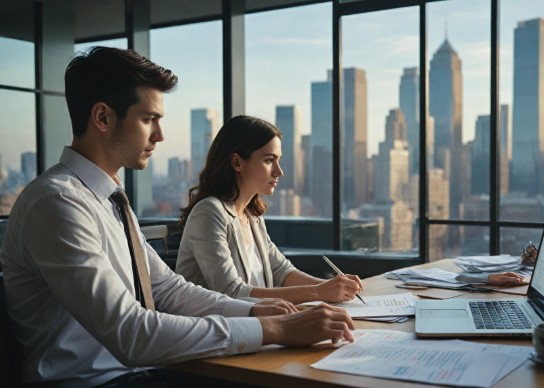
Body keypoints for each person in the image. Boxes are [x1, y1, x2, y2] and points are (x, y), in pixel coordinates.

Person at [0, 46, 353, 387]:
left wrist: (253, 312)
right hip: (99, 381)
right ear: (103, 117)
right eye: (149, 119)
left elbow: (168, 289)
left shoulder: (109, 199)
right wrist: (275, 329)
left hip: (145, 373)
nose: (160, 135)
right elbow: (132, 333)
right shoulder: (57, 203)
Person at [176, 115, 363, 305]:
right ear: (237, 163)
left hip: (257, 324)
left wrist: (333, 287)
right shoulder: (208, 213)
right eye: (268, 160)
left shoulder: (251, 216)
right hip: (219, 330)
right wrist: (318, 292)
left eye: (278, 160)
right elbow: (231, 293)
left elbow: (281, 271)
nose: (279, 171)